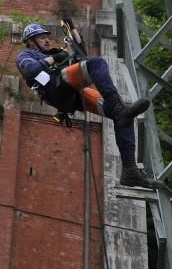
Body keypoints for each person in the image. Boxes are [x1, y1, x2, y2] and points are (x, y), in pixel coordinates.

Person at [16, 21, 160, 189]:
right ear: (30, 41)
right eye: (42, 37)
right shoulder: (26, 55)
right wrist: (53, 58)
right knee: (96, 63)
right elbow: (30, 71)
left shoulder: (56, 53)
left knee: (122, 116)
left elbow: (81, 56)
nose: (47, 40)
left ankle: (130, 170)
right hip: (53, 88)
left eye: (47, 37)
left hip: (72, 95)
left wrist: (73, 28)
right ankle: (119, 109)